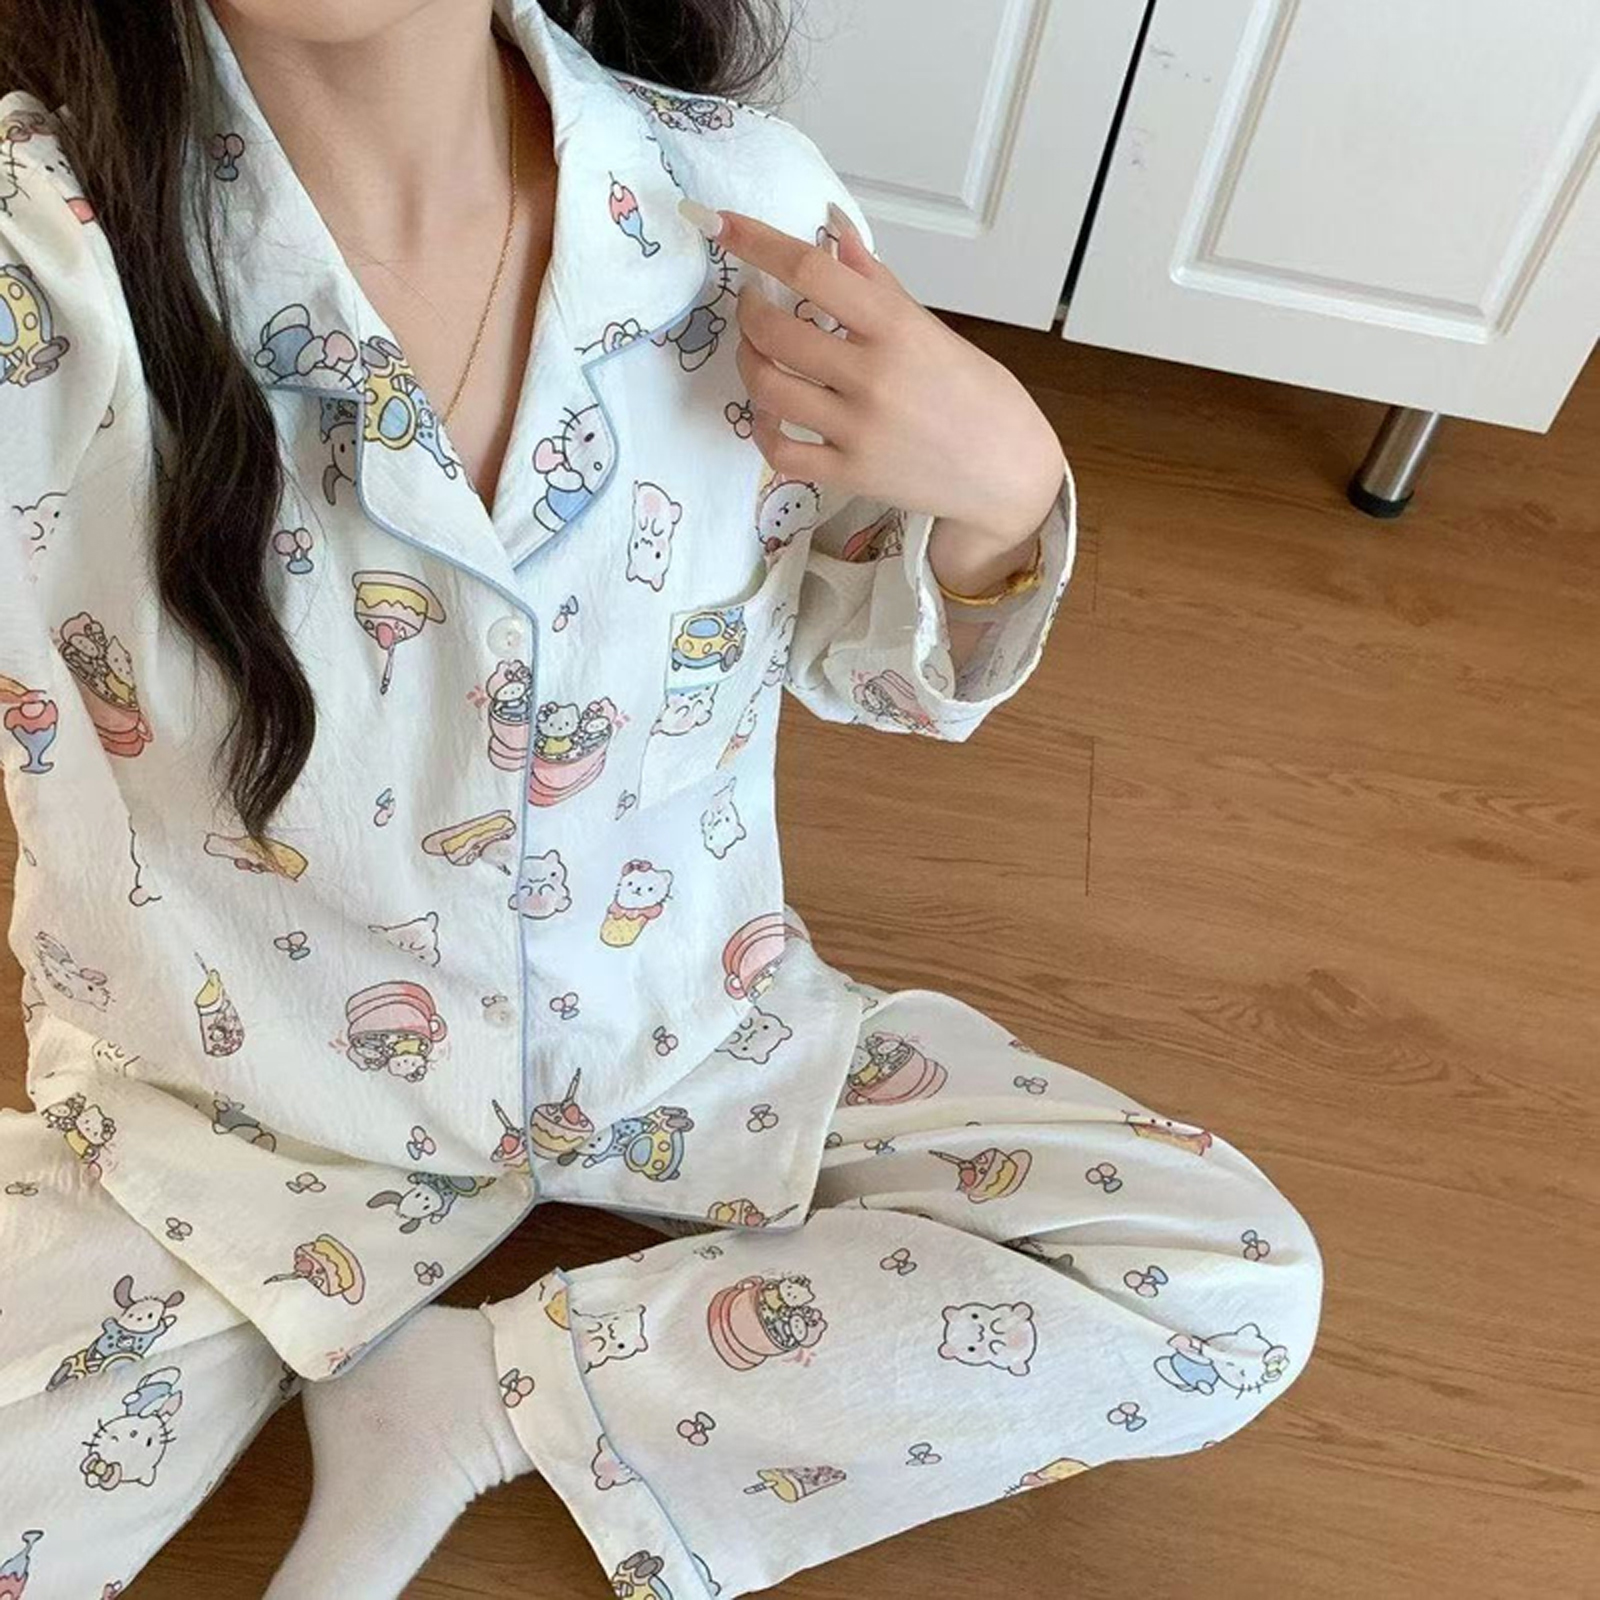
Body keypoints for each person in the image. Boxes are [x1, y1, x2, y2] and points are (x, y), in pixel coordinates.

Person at [0, 1, 1322, 1595]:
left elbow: (878, 668)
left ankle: (469, 1397)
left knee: (1226, 1289)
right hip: (225, 1110)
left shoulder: (738, 204)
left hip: (683, 1028)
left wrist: (1003, 498)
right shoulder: (37, 270)